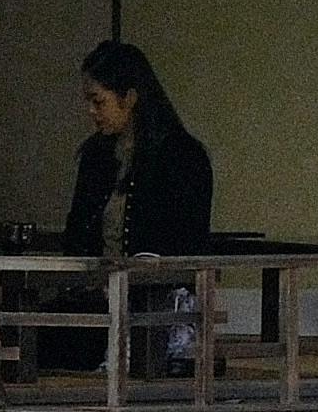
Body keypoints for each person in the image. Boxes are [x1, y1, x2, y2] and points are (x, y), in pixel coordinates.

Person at [60, 39, 219, 257]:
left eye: (99, 102)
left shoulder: (181, 157)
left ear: (130, 97)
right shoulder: (96, 155)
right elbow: (77, 231)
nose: (90, 111)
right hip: (98, 287)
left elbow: (187, 240)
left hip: (155, 287)